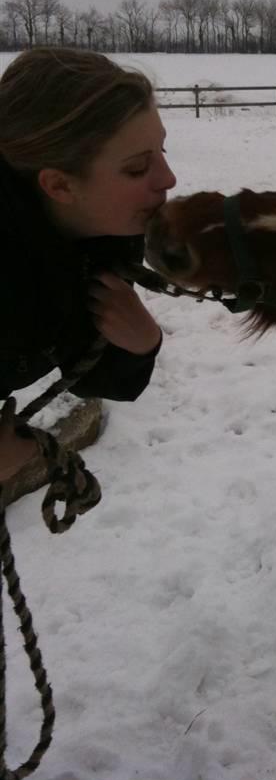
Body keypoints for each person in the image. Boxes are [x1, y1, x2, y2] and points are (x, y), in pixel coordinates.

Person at [0, 47, 176, 484]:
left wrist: (138, 345)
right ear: (59, 185)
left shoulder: (103, 235)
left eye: (162, 150)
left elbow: (88, 367)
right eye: (137, 168)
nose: (168, 178)